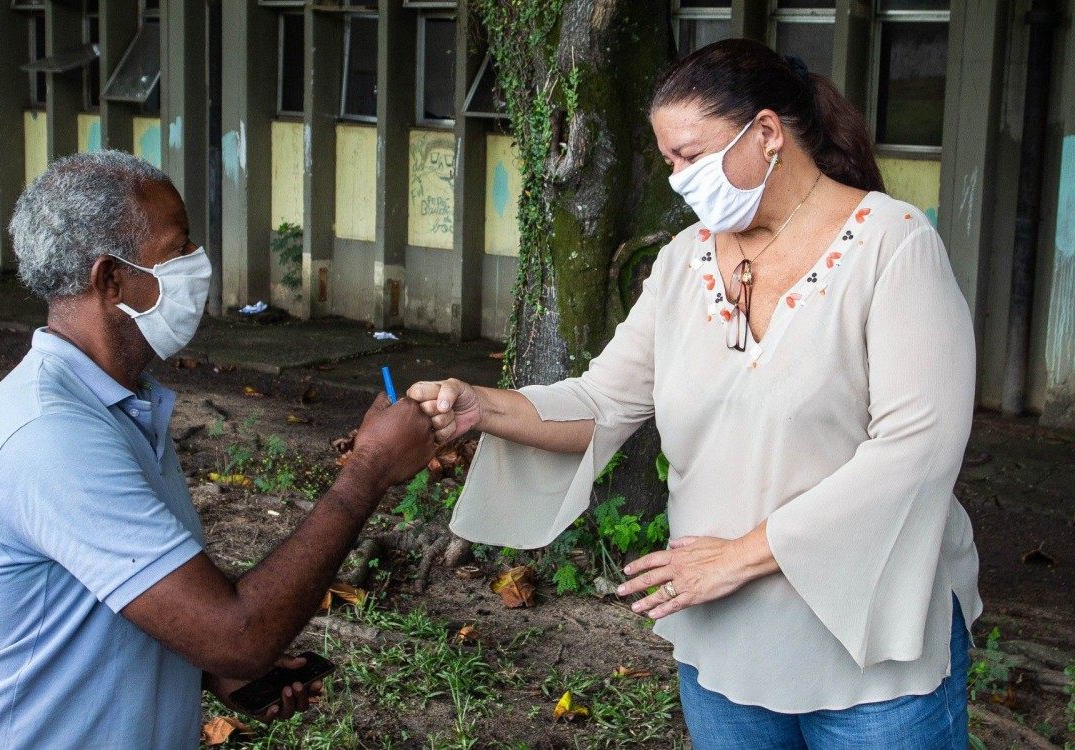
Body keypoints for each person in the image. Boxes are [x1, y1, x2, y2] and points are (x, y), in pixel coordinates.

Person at [409, 39, 979, 749]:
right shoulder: (683, 262)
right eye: (669, 162)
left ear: (767, 134)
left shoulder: (893, 246)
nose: (680, 181)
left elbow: (917, 451)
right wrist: (481, 408)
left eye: (691, 156)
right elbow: (602, 403)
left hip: (868, 647)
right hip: (723, 644)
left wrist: (735, 557)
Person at [0, 151, 435, 749]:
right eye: (178, 251)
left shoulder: (120, 403)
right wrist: (368, 471)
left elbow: (135, 591)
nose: (198, 268)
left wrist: (207, 667)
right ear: (110, 280)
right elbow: (238, 633)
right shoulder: (49, 435)